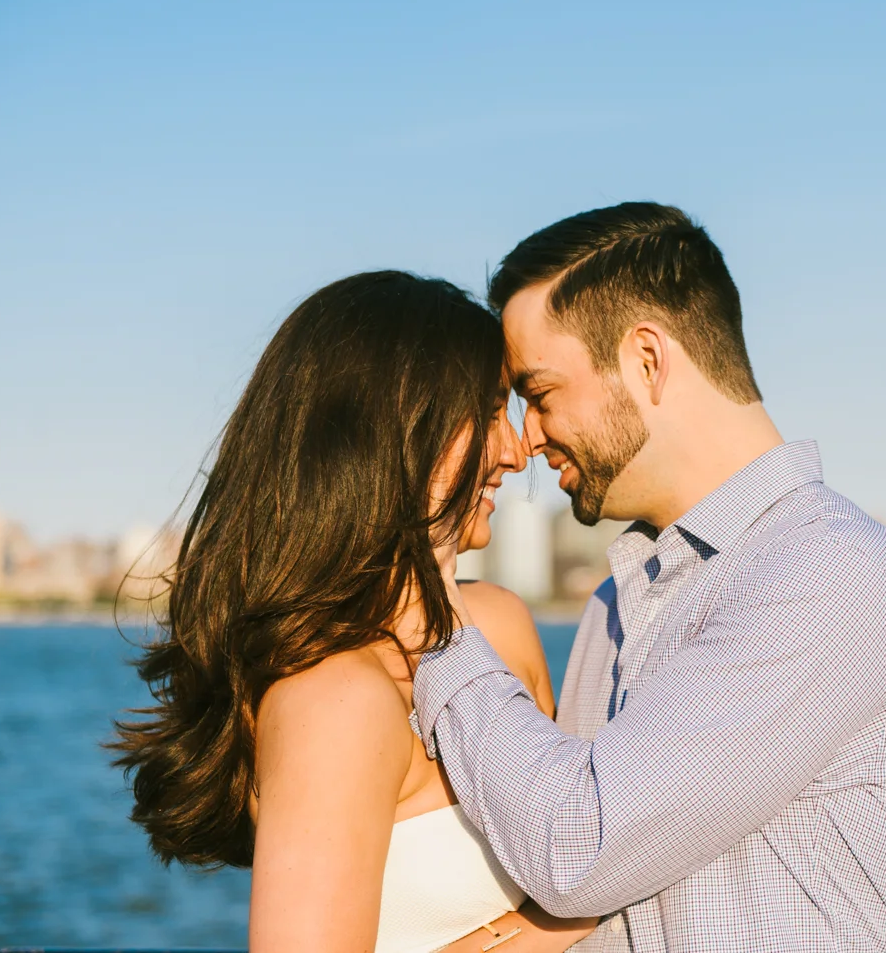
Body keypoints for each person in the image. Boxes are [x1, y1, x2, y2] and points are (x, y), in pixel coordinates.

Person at [418, 204, 886, 952]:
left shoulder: (833, 573)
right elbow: (581, 905)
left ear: (646, 359)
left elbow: (579, 850)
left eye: (539, 394)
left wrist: (433, 623)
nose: (528, 438)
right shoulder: (615, 603)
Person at [111, 271, 595, 953]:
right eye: (488, 413)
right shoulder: (335, 700)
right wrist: (550, 927)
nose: (518, 451)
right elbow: (577, 899)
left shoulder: (502, 626)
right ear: (394, 427)